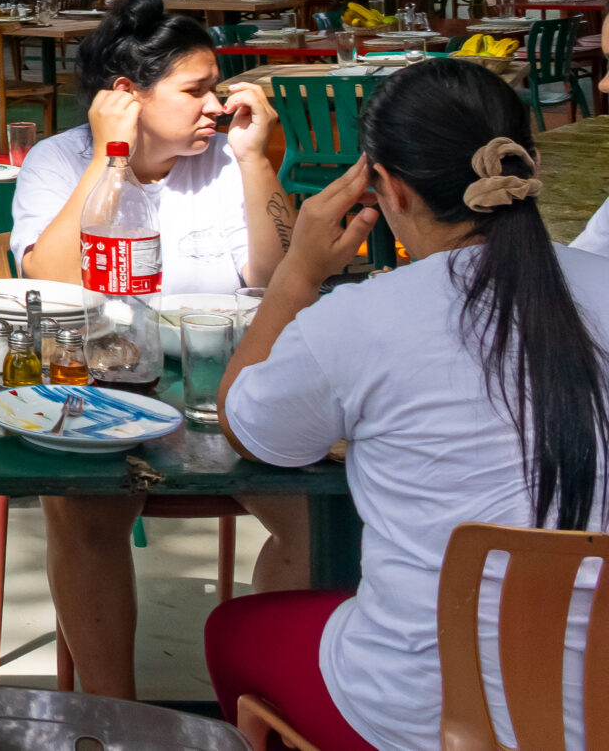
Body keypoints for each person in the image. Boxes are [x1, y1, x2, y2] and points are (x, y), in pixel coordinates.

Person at [212, 59, 609, 751]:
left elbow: (247, 424)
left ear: (388, 189)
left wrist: (298, 274)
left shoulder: (362, 320)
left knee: (232, 632)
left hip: (417, 715)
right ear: (530, 164)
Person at [9, 0, 306, 698]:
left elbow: (279, 274)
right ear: (126, 95)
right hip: (109, 388)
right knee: (80, 512)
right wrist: (109, 155)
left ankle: (262, 712)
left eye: (217, 86)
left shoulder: (227, 161)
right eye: (195, 89)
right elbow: (49, 279)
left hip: (226, 386)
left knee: (314, 519)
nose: (214, 105)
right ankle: (116, 716)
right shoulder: (59, 160)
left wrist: (258, 159)